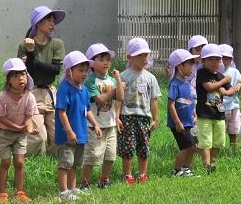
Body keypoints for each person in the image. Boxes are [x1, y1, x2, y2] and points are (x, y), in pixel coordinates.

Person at [18, 5, 66, 156]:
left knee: (57, 136)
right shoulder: (24, 45)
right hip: (31, 93)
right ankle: (34, 163)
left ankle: (55, 165)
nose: (52, 24)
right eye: (48, 20)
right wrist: (30, 55)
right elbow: (25, 74)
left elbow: (55, 70)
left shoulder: (57, 44)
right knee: (39, 136)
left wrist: (32, 58)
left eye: (53, 21)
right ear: (38, 23)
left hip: (50, 93)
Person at [55, 51, 102, 200]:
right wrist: (68, 131)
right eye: (80, 70)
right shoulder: (64, 89)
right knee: (65, 163)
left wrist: (95, 125)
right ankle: (63, 191)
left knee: (75, 163)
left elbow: (87, 110)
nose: (84, 74)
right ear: (69, 71)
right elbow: (62, 111)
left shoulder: (85, 90)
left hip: (81, 133)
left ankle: (73, 188)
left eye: (86, 70)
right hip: (67, 136)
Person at [0, 58, 39, 203]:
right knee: (6, 162)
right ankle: (2, 193)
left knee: (19, 162)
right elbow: (1, 119)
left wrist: (29, 128)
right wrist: (20, 127)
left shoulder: (29, 97)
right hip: (3, 133)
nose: (21, 78)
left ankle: (20, 192)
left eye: (23, 74)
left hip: (20, 135)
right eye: (15, 75)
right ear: (8, 80)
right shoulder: (3, 96)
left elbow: (28, 118)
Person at [80, 43, 124, 190]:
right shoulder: (90, 81)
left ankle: (104, 180)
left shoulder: (111, 80)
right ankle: (85, 182)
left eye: (108, 59)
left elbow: (120, 98)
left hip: (110, 123)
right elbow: (99, 100)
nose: (106, 62)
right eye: (102, 59)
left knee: (110, 155)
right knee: (92, 156)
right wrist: (116, 88)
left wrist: (117, 81)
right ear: (92, 63)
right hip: (94, 125)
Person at [118, 38, 161, 184]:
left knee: (143, 147)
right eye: (139, 55)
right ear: (129, 57)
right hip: (127, 117)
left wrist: (155, 118)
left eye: (146, 55)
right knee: (128, 147)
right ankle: (128, 175)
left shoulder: (151, 78)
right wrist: (117, 117)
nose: (144, 58)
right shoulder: (124, 76)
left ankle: (143, 174)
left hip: (144, 117)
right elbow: (119, 99)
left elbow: (153, 99)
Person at [196, 44, 234, 173]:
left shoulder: (220, 75)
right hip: (204, 114)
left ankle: (213, 163)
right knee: (206, 141)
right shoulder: (202, 73)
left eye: (217, 59)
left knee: (218, 141)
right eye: (210, 59)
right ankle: (206, 165)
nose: (214, 62)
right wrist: (223, 83)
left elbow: (230, 91)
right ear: (203, 61)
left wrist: (235, 87)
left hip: (219, 114)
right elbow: (209, 88)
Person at [167, 49, 199, 177]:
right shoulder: (175, 84)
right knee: (186, 147)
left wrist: (195, 114)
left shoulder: (187, 83)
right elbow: (171, 104)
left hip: (189, 121)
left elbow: (190, 101)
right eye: (189, 65)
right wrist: (177, 122)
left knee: (193, 146)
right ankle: (177, 170)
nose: (192, 68)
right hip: (179, 124)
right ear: (180, 66)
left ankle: (186, 168)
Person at [219, 44, 241, 149]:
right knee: (220, 129)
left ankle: (233, 148)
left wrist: (239, 84)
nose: (224, 61)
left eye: (227, 58)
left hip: (233, 105)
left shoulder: (234, 71)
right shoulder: (216, 72)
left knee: (233, 129)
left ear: (231, 59)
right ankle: (218, 149)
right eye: (222, 58)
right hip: (219, 105)